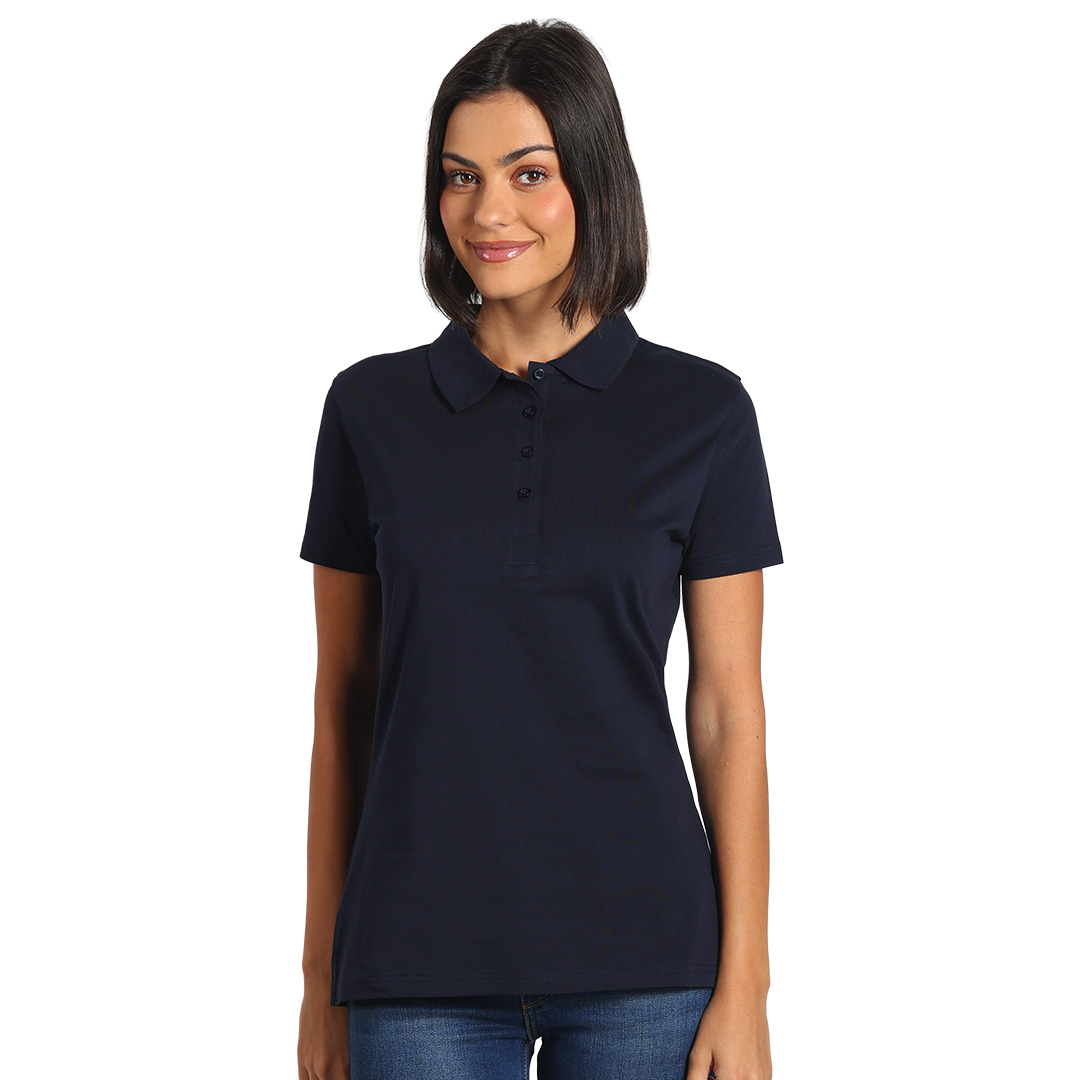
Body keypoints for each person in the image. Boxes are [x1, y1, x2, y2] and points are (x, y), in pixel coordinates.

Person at [296, 18, 781, 1080]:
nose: (488, 212)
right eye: (459, 176)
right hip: (413, 962)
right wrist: (319, 980)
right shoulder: (369, 411)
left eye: (529, 173)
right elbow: (343, 705)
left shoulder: (703, 413)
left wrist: (746, 984)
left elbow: (727, 710)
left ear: (594, 180)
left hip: (648, 963)